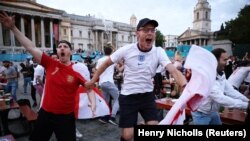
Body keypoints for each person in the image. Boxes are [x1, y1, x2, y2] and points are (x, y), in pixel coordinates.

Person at [85, 18, 187, 141]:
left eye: (152, 30)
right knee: (128, 136)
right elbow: (105, 64)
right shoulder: (127, 49)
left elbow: (174, 70)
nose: (150, 33)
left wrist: (186, 88)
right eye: (146, 30)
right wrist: (93, 81)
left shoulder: (158, 52)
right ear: (137, 33)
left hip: (147, 95)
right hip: (128, 95)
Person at [0, 11, 96, 141]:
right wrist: (13, 28)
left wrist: (93, 103)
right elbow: (31, 47)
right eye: (60, 46)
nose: (62, 48)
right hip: (46, 114)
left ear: (71, 51)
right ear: (57, 51)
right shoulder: (50, 63)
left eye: (65, 46)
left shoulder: (76, 72)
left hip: (66, 117)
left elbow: (89, 88)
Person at [191, 48, 250, 125]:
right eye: (225, 60)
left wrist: (247, 101)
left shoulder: (221, 73)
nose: (227, 62)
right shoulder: (206, 77)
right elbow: (221, 98)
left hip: (213, 112)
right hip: (201, 114)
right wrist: (246, 105)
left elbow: (231, 91)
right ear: (215, 61)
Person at [96, 46, 119, 125]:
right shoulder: (112, 59)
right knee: (118, 98)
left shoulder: (99, 60)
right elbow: (119, 69)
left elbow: (97, 70)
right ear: (111, 51)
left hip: (102, 82)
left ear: (104, 51)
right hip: (108, 82)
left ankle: (104, 117)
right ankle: (112, 117)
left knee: (106, 101)